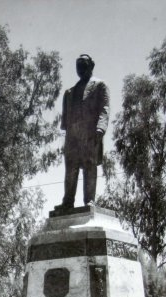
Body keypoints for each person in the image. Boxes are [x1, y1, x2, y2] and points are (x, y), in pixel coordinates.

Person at [60, 54, 109, 208]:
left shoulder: (99, 85)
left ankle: (89, 200)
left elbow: (104, 108)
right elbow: (65, 121)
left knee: (89, 166)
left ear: (91, 66)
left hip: (90, 134)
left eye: (84, 65)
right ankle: (68, 202)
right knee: (70, 168)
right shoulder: (69, 92)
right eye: (78, 65)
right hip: (73, 136)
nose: (80, 68)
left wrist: (101, 127)